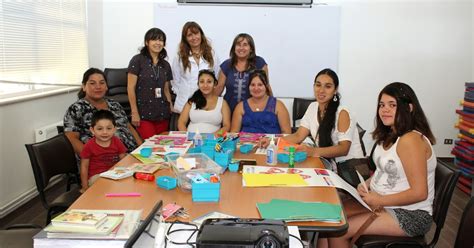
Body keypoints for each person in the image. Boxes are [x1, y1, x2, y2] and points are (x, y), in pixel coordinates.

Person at [323, 82, 437, 248]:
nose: (385, 110)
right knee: (328, 219)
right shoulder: (391, 134)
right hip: (384, 202)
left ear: (409, 108)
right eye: (382, 105)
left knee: (338, 229)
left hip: (410, 214)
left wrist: (380, 199)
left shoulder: (411, 140)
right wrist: (367, 184)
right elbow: (385, 170)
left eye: (392, 105)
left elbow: (420, 193)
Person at [282, 68, 364, 161]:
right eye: (318, 85)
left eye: (328, 86)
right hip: (327, 164)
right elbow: (298, 136)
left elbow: (343, 149)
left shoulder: (343, 113)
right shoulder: (313, 107)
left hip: (349, 169)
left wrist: (312, 151)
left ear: (335, 90)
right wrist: (273, 142)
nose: (321, 90)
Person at [64, 68, 142, 154]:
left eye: (102, 83)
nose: (98, 87)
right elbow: (71, 139)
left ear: (106, 87)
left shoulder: (115, 104)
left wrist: (141, 149)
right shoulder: (76, 109)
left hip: (132, 155)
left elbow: (129, 127)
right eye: (92, 83)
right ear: (84, 87)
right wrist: (93, 158)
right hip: (101, 161)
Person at [128, 27, 173, 139]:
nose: (158, 43)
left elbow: (166, 89)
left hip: (162, 113)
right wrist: (134, 112)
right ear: (146, 42)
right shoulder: (137, 60)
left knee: (162, 147)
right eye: (154, 40)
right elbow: (130, 88)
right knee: (150, 146)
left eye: (161, 40)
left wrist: (170, 105)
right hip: (143, 114)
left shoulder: (165, 65)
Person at [171, 21, 220, 114]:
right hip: (183, 106)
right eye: (189, 35)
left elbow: (217, 77)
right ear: (185, 38)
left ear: (201, 34)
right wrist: (184, 94)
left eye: (196, 33)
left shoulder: (212, 54)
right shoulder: (179, 56)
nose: (194, 38)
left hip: (207, 106)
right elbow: (175, 81)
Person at [216, 33, 270, 112]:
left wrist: (272, 107)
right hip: (229, 111)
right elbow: (219, 88)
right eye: (238, 45)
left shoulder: (259, 63)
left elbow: (266, 86)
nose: (241, 48)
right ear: (234, 48)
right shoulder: (226, 65)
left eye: (245, 45)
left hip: (253, 111)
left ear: (251, 48)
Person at [79, 110, 127, 193]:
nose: (105, 132)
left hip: (114, 173)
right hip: (97, 177)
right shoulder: (89, 146)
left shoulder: (117, 141)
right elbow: (84, 167)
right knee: (107, 188)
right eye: (100, 129)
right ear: (92, 130)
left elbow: (123, 160)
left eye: (109, 128)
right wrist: (84, 186)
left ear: (114, 129)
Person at [231, 69, 291, 134]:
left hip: (272, 143)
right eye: (253, 85)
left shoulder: (278, 105)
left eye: (260, 85)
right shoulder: (240, 106)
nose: (256, 88)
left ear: (266, 86)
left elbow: (286, 133)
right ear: (248, 87)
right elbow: (234, 133)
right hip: (244, 143)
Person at [177, 69, 231, 134]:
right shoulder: (191, 101)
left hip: (213, 141)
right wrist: (187, 136)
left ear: (215, 84)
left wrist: (215, 136)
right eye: (202, 82)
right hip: (191, 140)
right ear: (198, 84)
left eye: (209, 82)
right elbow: (181, 122)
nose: (205, 85)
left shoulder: (222, 103)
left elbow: (227, 126)